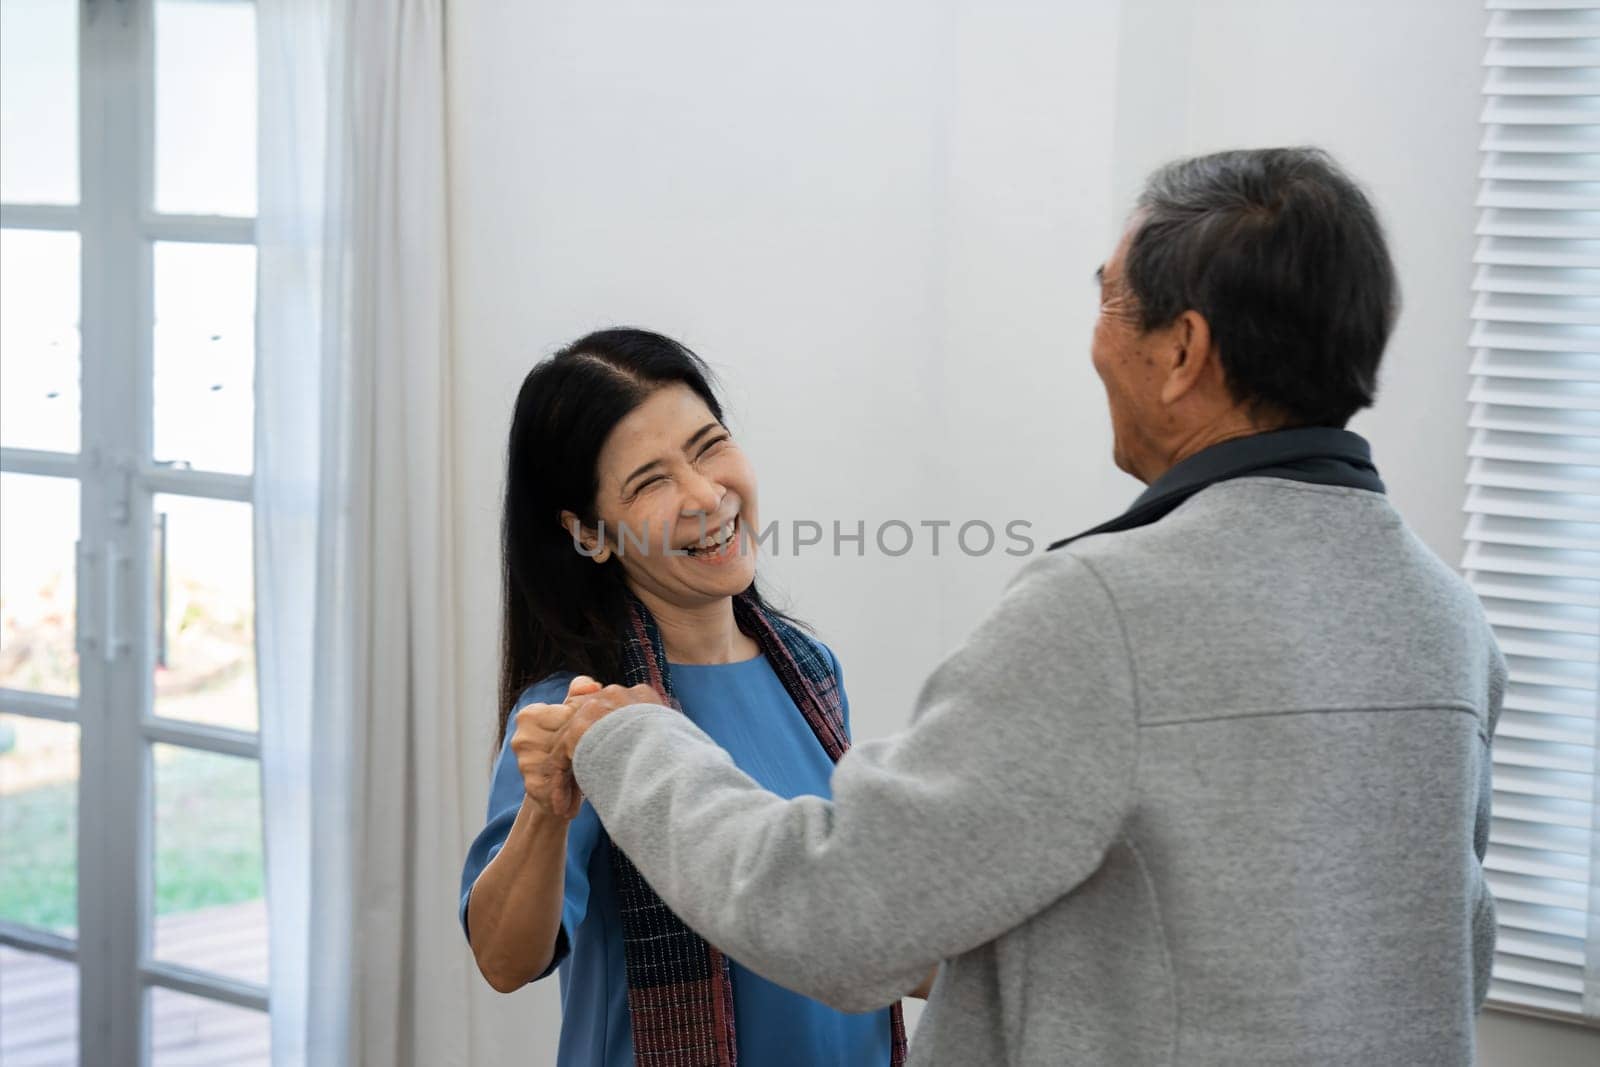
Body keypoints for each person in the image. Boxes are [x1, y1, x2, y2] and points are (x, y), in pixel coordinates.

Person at [538, 149, 1504, 1065]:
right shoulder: (1448, 623)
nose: (1095, 337)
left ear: (1182, 349)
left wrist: (632, 745)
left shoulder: (1105, 609)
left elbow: (834, 916)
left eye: (1110, 300)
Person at [458, 328, 916, 1066]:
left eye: (708, 446)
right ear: (588, 533)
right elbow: (505, 959)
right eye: (650, 482)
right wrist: (546, 807)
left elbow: (832, 898)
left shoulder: (809, 669)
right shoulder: (582, 709)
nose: (705, 495)